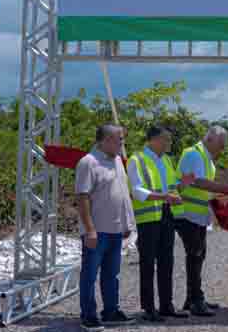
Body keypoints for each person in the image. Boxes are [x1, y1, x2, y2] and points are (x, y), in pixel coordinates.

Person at [177, 126, 228, 317]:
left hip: (198, 214)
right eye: (221, 144)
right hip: (186, 213)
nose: (223, 149)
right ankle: (195, 301)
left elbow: (205, 188)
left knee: (199, 255)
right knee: (195, 255)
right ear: (210, 139)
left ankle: (193, 298)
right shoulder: (195, 154)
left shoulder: (206, 158)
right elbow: (199, 182)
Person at [126, 125, 193, 322]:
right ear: (153, 140)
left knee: (167, 261)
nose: (169, 143)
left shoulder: (166, 160)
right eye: (166, 139)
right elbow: (137, 191)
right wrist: (165, 196)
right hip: (148, 218)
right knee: (148, 263)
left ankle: (166, 305)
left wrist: (183, 185)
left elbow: (172, 189)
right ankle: (148, 308)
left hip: (167, 214)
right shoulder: (136, 160)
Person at [76, 124, 137, 331]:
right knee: (89, 275)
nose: (122, 143)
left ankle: (111, 311)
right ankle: (88, 315)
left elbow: (121, 193)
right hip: (97, 231)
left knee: (112, 274)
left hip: (115, 230)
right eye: (119, 139)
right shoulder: (88, 163)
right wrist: (90, 229)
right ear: (106, 140)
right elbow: (82, 198)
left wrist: (127, 222)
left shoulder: (118, 160)